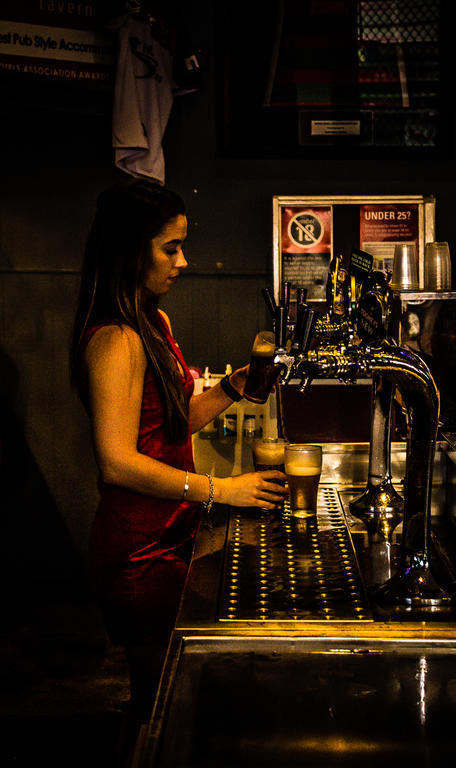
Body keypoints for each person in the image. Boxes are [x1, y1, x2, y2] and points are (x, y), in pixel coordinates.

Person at [70, 179, 286, 758]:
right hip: (139, 553)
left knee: (164, 697)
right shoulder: (116, 339)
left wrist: (235, 387)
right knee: (154, 704)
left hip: (172, 536)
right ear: (129, 248)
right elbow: (117, 462)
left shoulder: (153, 324)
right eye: (171, 247)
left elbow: (168, 426)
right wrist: (223, 490)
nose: (183, 261)